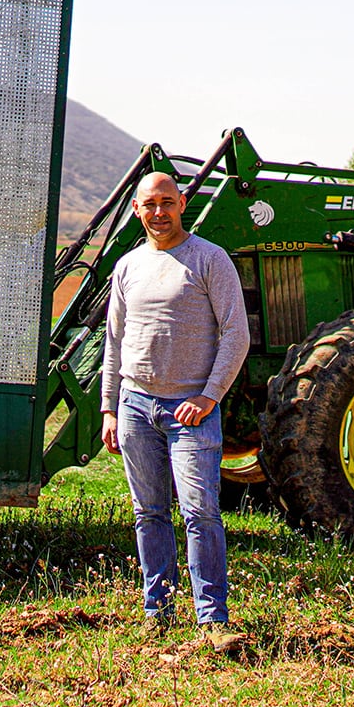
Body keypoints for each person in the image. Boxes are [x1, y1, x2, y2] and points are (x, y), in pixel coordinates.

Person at [100, 169, 250, 639]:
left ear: (182, 203)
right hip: (136, 407)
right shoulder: (128, 267)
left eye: (167, 202)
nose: (159, 212)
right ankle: (157, 611)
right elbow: (115, 341)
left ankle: (212, 619)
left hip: (191, 410)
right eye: (150, 205)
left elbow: (236, 334)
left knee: (200, 510)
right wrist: (109, 407)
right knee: (148, 512)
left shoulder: (210, 259)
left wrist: (209, 396)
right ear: (137, 210)